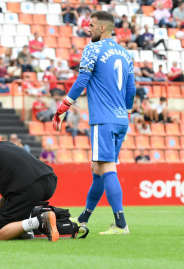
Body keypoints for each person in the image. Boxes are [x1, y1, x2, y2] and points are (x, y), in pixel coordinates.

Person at [52, 11, 136, 234]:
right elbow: (132, 90)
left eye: (90, 25)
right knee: (97, 168)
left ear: (101, 29)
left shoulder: (93, 49)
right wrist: (124, 111)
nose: (87, 29)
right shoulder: (126, 54)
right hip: (121, 120)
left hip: (103, 120)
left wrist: (63, 108)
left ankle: (121, 224)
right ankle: (84, 217)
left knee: (107, 166)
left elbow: (82, 80)